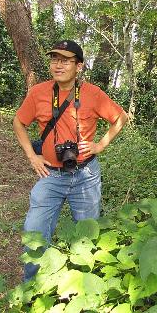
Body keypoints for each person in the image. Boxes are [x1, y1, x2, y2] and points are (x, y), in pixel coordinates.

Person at [13, 40, 128, 281]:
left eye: (65, 60)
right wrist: (32, 156)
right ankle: (31, 288)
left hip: (85, 175)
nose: (58, 65)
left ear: (79, 66)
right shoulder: (38, 93)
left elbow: (120, 117)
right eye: (55, 59)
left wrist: (100, 144)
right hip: (50, 175)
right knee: (34, 233)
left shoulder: (93, 94)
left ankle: (81, 285)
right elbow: (19, 122)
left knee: (87, 237)